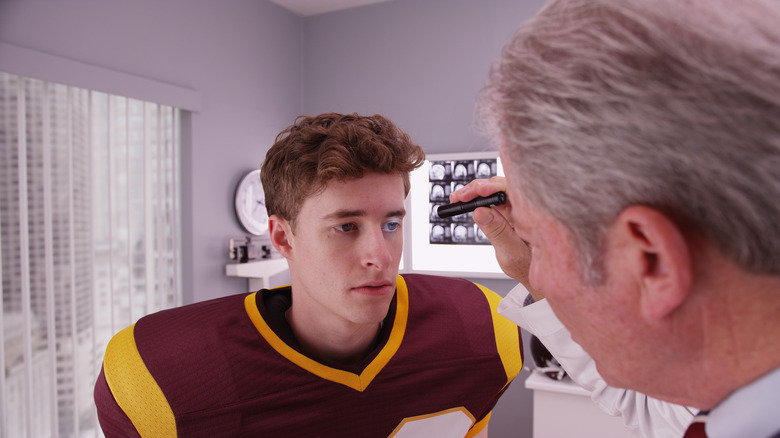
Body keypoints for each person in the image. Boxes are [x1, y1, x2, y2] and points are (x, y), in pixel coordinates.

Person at [452, 0, 780, 437]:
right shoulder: (723, 395)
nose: (538, 277)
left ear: (651, 259)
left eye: (539, 245)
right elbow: (645, 402)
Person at [93, 112, 523, 437]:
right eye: (346, 227)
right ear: (283, 238)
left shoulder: (481, 329)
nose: (380, 256)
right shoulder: (159, 381)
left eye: (391, 224)